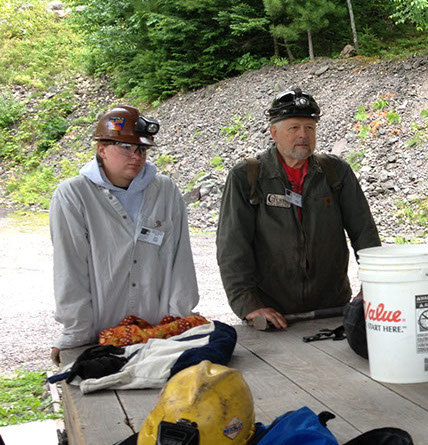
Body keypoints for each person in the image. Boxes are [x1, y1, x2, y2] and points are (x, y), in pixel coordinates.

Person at [217, 88, 380, 330]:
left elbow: (364, 234)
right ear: (274, 132)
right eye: (294, 128)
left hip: (333, 308)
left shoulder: (335, 173)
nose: (303, 135)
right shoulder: (247, 176)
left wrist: (372, 289)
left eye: (310, 128)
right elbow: (232, 247)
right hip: (273, 315)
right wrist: (248, 305)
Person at [50, 105, 198, 361]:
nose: (136, 156)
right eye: (126, 147)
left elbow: (181, 260)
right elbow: (70, 269)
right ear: (101, 149)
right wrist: (76, 333)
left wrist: (177, 321)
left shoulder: (165, 191)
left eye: (142, 149)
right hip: (99, 335)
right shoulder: (73, 195)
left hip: (157, 332)